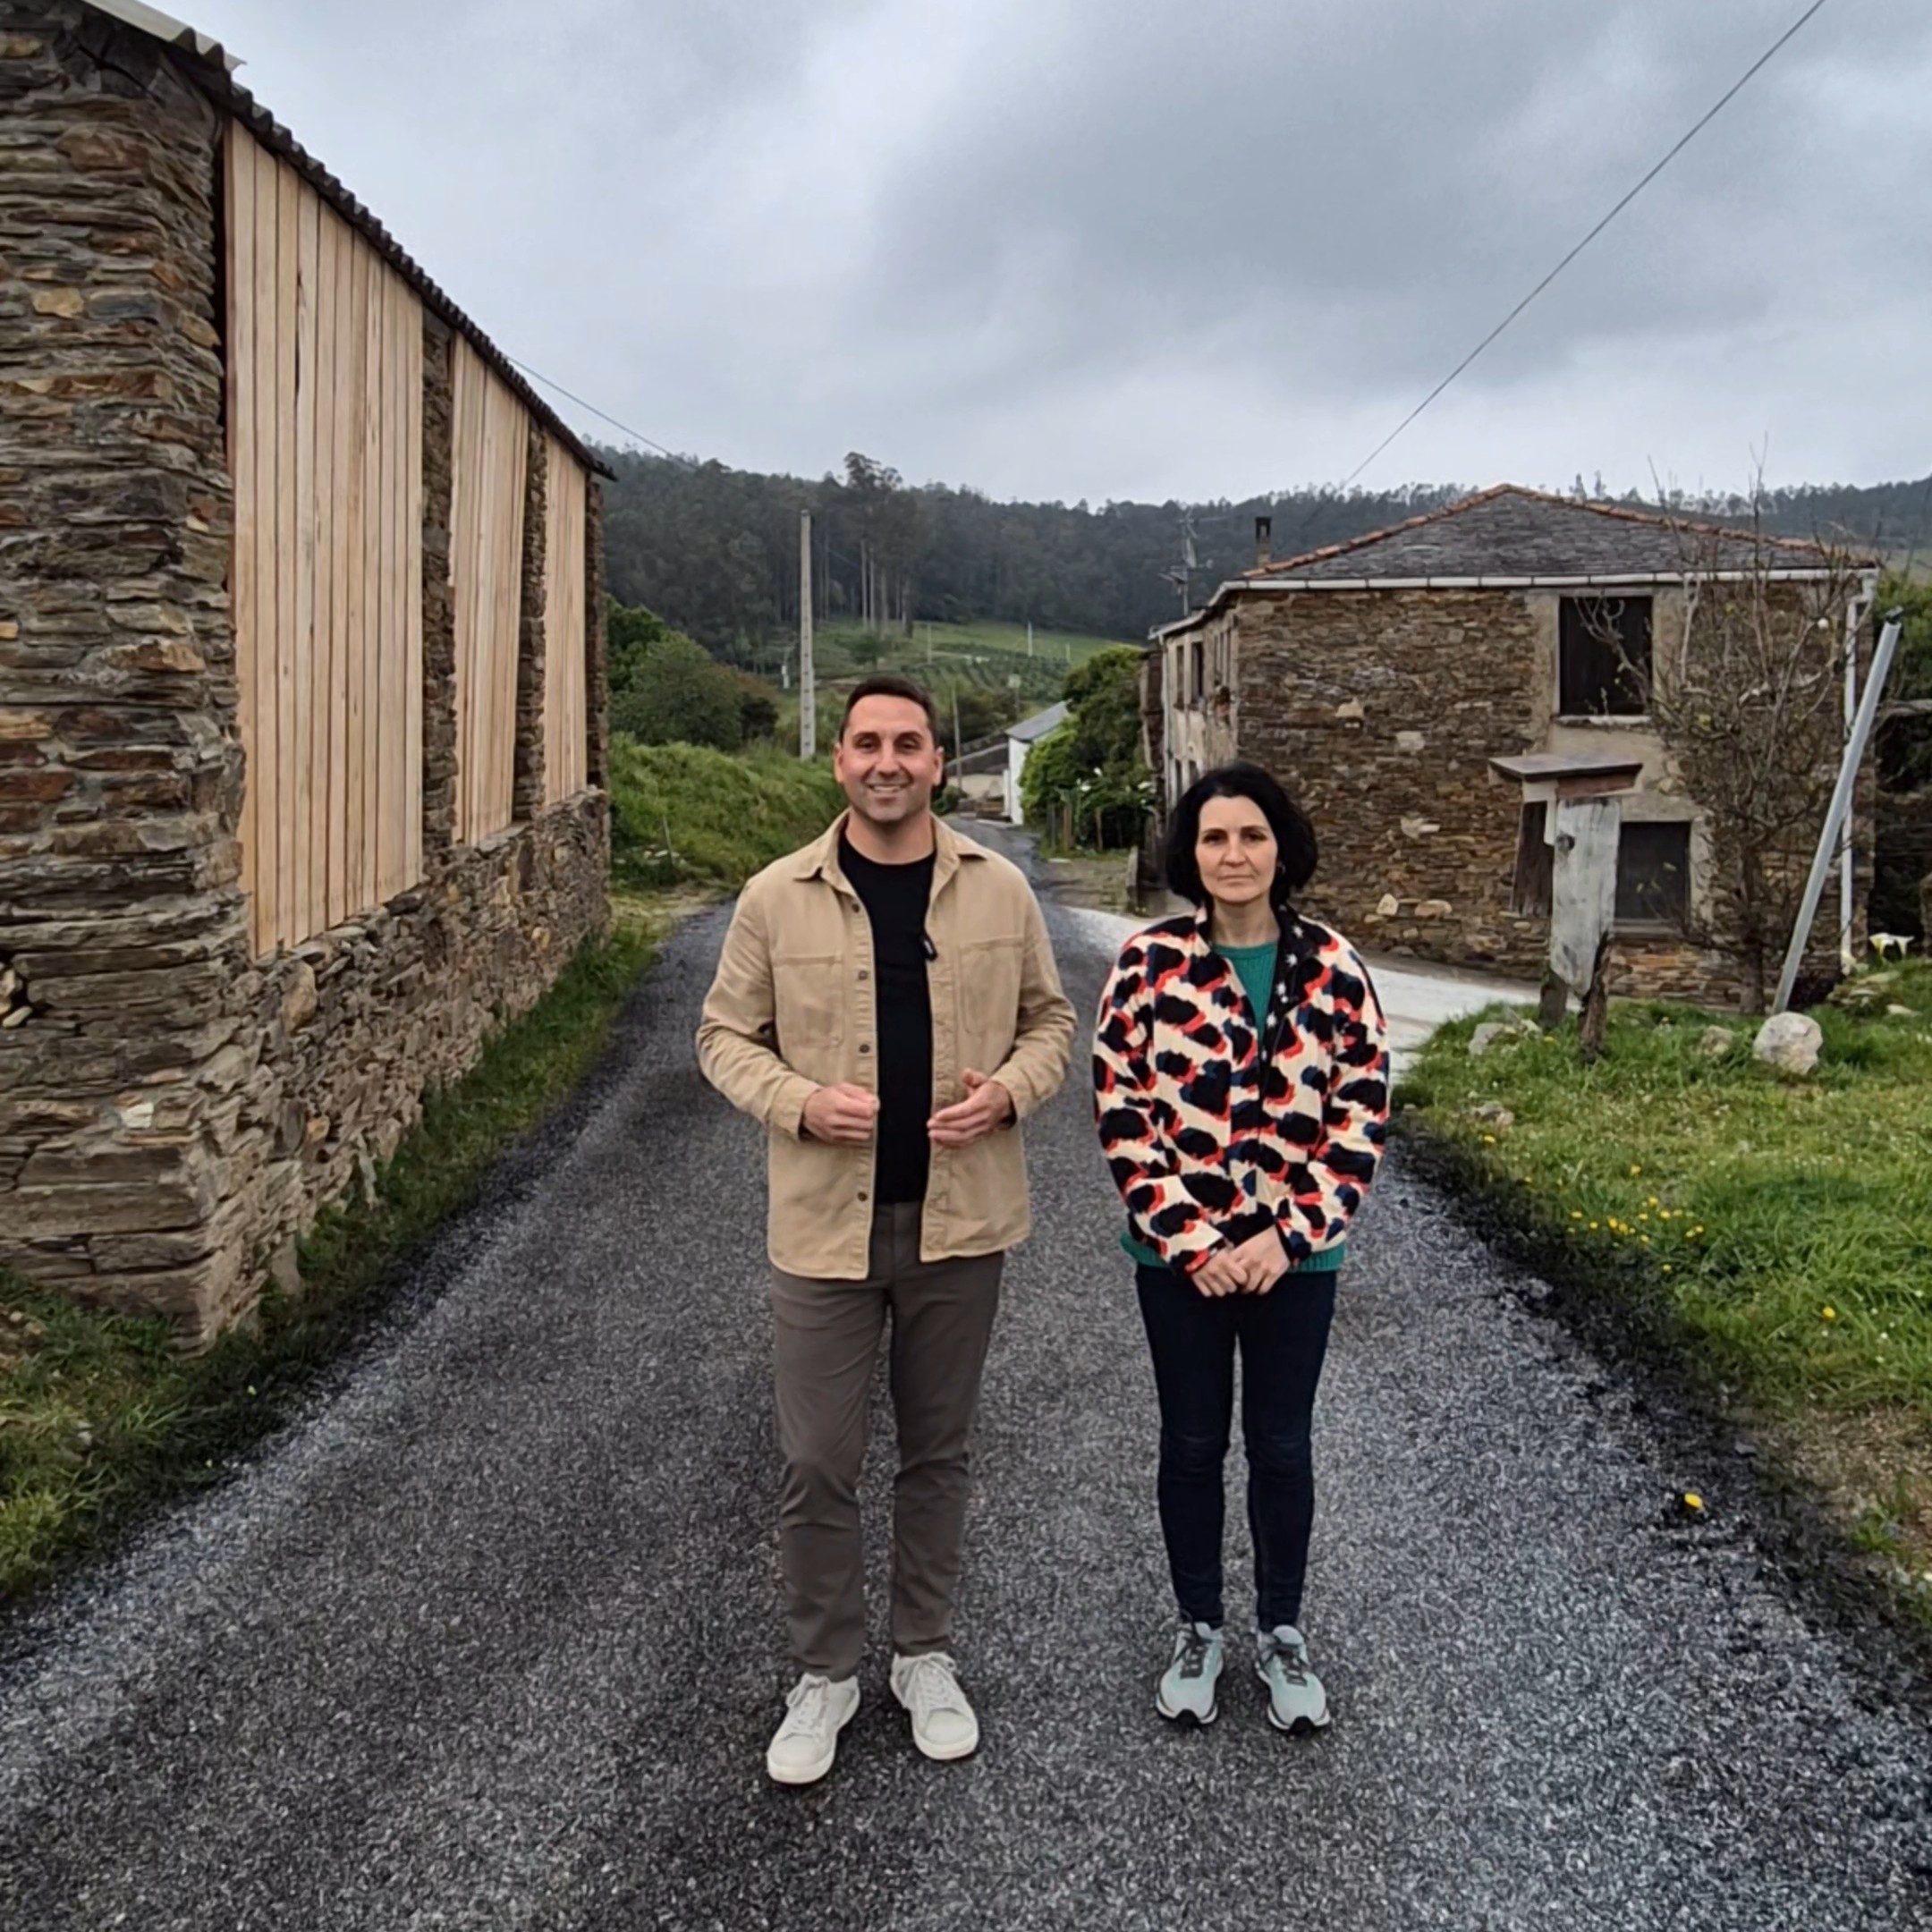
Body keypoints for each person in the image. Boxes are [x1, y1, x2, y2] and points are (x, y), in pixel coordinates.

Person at [698, 674, 1075, 1786]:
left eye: (909, 743)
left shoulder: (1002, 891)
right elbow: (723, 1038)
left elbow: (1053, 1024)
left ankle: (923, 1653)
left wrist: (1009, 1091)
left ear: (938, 762)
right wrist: (797, 1102)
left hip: (964, 1225)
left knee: (939, 1452)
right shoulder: (775, 897)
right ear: (839, 761)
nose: (887, 762)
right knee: (817, 1460)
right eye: (867, 742)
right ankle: (825, 1675)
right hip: (823, 1231)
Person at [1091, 761, 1389, 1734]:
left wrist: (1288, 1233)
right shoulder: (1147, 964)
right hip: (1180, 1263)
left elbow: (1360, 1111)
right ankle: (1198, 1625)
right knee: (1190, 1442)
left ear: (1280, 847)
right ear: (1192, 853)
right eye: (1215, 839)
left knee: (1282, 1445)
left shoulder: (1334, 967)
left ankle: (1283, 1631)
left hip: (1296, 1264)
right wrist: (1192, 1238)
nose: (1233, 855)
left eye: (1251, 837)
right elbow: (1123, 1108)